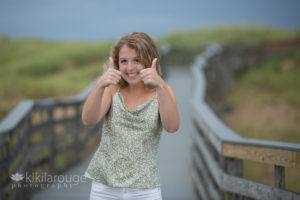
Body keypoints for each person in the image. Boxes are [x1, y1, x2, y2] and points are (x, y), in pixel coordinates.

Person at [81, 32, 180, 200]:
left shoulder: (163, 91)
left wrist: (161, 85)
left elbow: (172, 127)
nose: (129, 68)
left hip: (145, 189)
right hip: (104, 188)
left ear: (150, 60)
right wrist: (100, 85)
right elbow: (89, 120)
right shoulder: (112, 89)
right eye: (123, 61)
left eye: (137, 60)